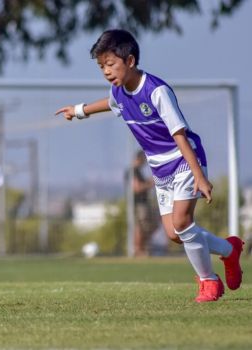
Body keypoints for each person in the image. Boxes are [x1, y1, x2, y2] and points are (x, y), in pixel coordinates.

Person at [55, 29, 244, 302]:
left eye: (110, 64)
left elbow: (179, 134)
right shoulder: (118, 92)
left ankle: (209, 282)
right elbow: (109, 104)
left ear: (130, 61)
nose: (106, 71)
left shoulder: (157, 91)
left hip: (183, 159)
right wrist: (79, 110)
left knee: (182, 222)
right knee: (174, 234)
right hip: (159, 169)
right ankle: (229, 250)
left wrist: (199, 175)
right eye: (101, 67)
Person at [130, 150, 156, 257]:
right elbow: (137, 188)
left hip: (144, 203)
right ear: (140, 158)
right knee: (140, 226)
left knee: (150, 225)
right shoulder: (133, 171)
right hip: (139, 204)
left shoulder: (138, 171)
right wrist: (150, 184)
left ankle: (142, 247)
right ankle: (138, 250)